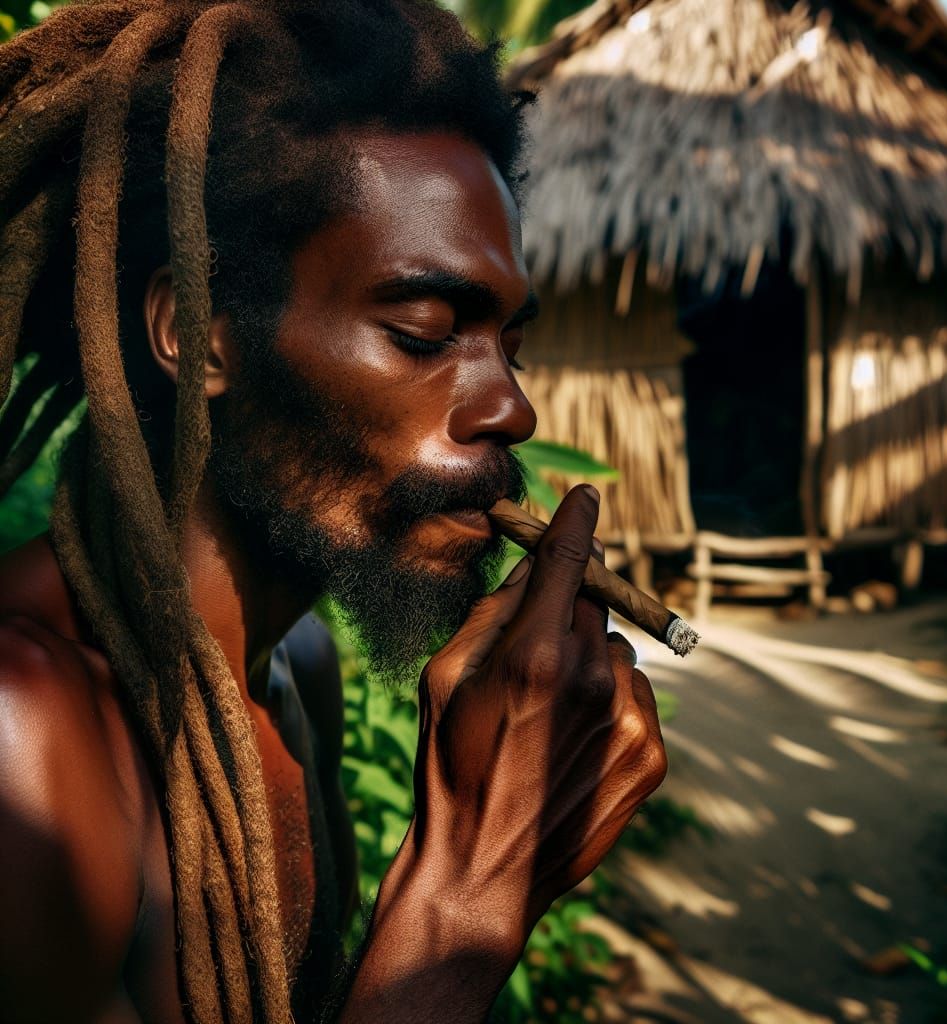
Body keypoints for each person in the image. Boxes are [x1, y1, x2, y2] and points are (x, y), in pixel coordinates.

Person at [0, 0, 668, 1020]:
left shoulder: (296, 667)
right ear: (199, 334)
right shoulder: (23, 733)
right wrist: (463, 896)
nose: (512, 408)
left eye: (508, 345)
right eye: (422, 330)